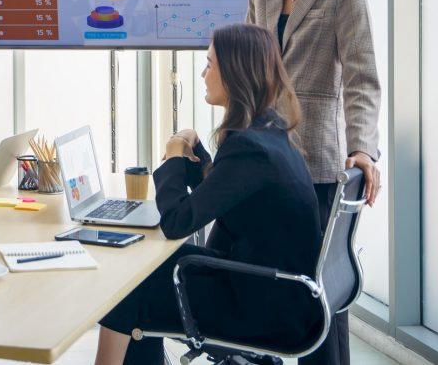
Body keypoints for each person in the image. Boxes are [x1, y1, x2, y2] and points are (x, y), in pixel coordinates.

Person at [95, 24, 323, 365]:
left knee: (127, 288)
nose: (203, 74)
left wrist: (174, 155)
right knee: (140, 279)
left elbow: (177, 222)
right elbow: (227, 195)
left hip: (262, 306)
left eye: (209, 64)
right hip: (276, 293)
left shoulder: (250, 146)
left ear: (233, 75)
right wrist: (197, 153)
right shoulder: (268, 132)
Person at [244, 0, 382, 365]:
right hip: (263, 158)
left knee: (317, 298)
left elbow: (363, 78)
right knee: (265, 284)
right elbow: (248, 67)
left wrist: (363, 149)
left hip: (317, 165)